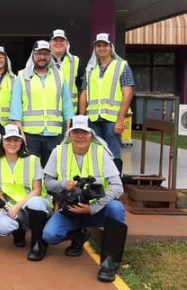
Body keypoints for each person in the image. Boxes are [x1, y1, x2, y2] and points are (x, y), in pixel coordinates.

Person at [42, 115, 127, 282]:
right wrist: (63, 185)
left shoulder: (100, 152)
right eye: (76, 132)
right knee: (49, 235)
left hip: (97, 209)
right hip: (70, 210)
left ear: (91, 134)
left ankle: (110, 261)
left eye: (84, 132)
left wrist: (93, 208)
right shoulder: (58, 152)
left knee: (116, 208)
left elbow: (118, 187)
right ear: (69, 134)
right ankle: (79, 234)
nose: (80, 136)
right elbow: (47, 183)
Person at [0, 124, 51, 261]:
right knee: (1, 226)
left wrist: (17, 206)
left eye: (16, 140)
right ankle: (19, 233)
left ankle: (37, 243)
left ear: (21, 142)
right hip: (13, 205)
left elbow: (37, 190)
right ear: (2, 142)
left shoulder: (33, 160)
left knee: (35, 203)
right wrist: (3, 205)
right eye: (8, 140)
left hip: (37, 203)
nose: (12, 143)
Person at [10, 40, 74, 167]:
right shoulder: (22, 76)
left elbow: (67, 104)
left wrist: (70, 130)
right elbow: (16, 105)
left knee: (52, 170)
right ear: (33, 55)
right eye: (39, 54)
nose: (42, 57)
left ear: (50, 56)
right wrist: (19, 132)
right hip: (30, 134)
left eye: (45, 54)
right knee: (29, 169)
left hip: (54, 133)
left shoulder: (59, 76)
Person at [79, 33, 135, 173]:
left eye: (105, 45)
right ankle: (97, 185)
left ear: (111, 47)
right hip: (93, 118)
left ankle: (115, 185)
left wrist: (121, 120)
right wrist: (82, 118)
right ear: (95, 48)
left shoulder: (122, 66)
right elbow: (84, 94)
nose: (102, 48)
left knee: (113, 153)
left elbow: (128, 93)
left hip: (112, 119)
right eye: (99, 45)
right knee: (94, 153)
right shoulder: (90, 68)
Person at [50, 30, 84, 111]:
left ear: (67, 43)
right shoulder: (43, 61)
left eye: (61, 40)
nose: (59, 43)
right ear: (50, 43)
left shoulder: (75, 61)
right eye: (55, 40)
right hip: (49, 114)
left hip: (70, 112)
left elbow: (82, 89)